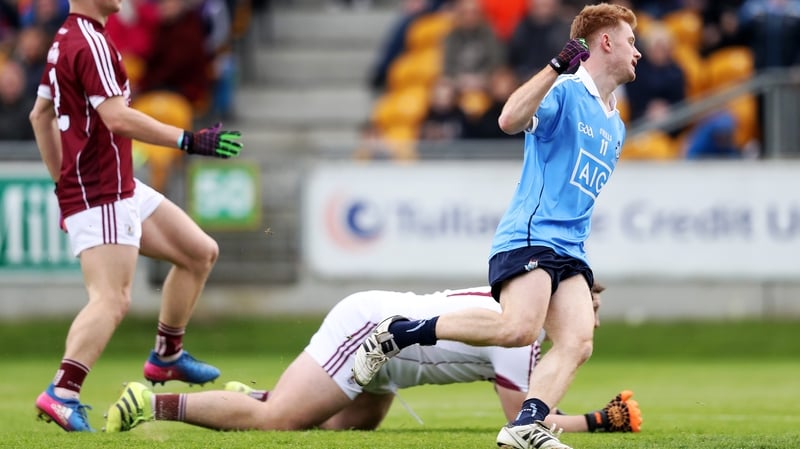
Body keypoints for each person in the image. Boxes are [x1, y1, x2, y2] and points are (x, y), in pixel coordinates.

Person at [352, 4, 640, 449]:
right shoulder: (565, 90)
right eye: (630, 42)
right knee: (519, 330)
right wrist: (554, 66)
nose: (637, 52)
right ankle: (399, 332)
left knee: (578, 341)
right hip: (532, 236)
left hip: (572, 249)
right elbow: (509, 120)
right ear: (606, 42)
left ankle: (526, 425)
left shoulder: (615, 122)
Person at [30, 0, 243, 433]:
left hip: (116, 184)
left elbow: (41, 116)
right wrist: (189, 140)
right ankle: (63, 393)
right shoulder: (89, 42)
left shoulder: (67, 39)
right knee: (111, 298)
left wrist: (63, 187)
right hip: (104, 187)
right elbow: (117, 118)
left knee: (199, 252)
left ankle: (166, 356)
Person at [104, 284, 642, 434]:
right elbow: (525, 424)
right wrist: (599, 422)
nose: (589, 319)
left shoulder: (522, 305)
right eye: (588, 307)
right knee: (280, 422)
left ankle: (257, 395)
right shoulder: (520, 334)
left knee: (353, 423)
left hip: (391, 364)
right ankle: (150, 405)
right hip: (369, 327)